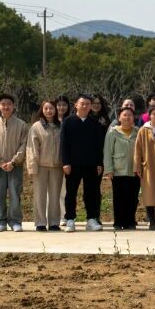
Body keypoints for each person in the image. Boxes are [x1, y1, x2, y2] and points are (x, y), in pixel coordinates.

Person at [60, 94, 106, 231]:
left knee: (91, 192)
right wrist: (65, 162)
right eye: (82, 103)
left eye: (87, 104)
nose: (85, 106)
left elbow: (99, 145)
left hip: (91, 164)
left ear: (90, 106)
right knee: (71, 192)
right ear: (76, 105)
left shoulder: (95, 123)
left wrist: (99, 163)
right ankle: (70, 219)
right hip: (72, 164)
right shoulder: (68, 122)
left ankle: (91, 219)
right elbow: (63, 143)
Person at [0, 93, 28, 232]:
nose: (6, 107)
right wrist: (0, 162)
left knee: (15, 194)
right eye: (3, 104)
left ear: (13, 106)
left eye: (9, 104)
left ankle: (15, 221)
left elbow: (24, 145)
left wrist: (13, 162)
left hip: (16, 166)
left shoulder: (22, 125)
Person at [27, 100, 64, 232]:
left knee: (55, 195)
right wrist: (32, 166)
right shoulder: (36, 127)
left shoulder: (61, 126)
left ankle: (54, 222)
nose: (49, 111)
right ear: (42, 110)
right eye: (46, 108)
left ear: (55, 110)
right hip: (41, 166)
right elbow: (32, 148)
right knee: (39, 195)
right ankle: (40, 222)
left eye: (51, 108)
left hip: (57, 166)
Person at [103, 107, 140, 229]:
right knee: (119, 198)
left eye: (130, 115)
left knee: (133, 197)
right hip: (118, 170)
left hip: (134, 170)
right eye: (125, 115)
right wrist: (109, 169)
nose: (127, 117)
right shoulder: (113, 132)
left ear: (133, 118)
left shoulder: (138, 131)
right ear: (119, 117)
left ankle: (130, 221)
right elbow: (107, 151)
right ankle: (118, 222)